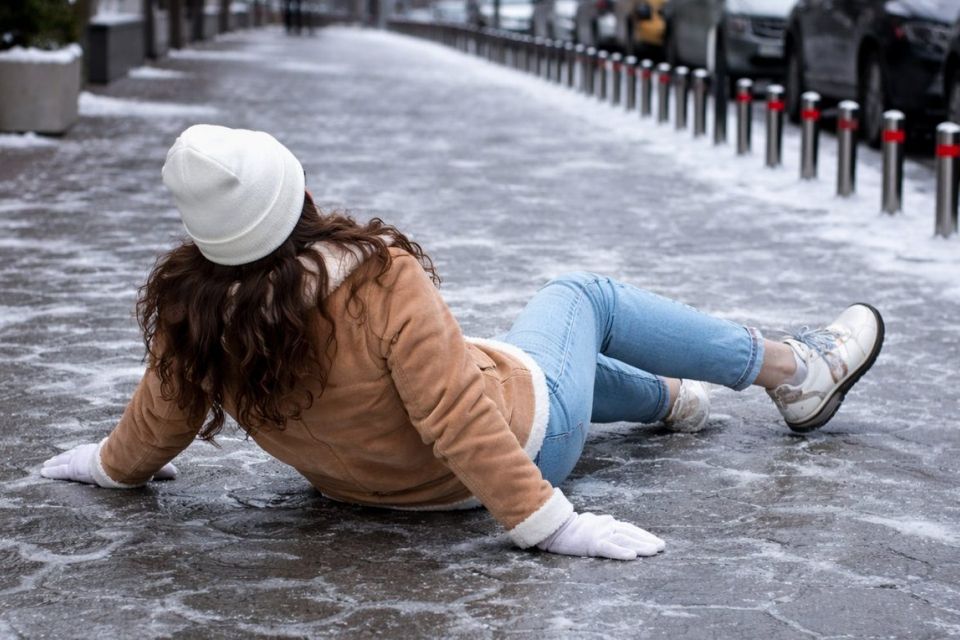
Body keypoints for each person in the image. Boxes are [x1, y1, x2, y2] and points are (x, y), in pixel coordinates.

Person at [40, 125, 885, 561]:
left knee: (535, 357)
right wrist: (550, 524)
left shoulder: (198, 318)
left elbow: (157, 421)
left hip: (369, 486)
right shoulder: (375, 279)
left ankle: (671, 403)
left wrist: (108, 467)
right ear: (295, 198)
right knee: (579, 296)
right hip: (518, 451)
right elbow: (454, 415)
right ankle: (795, 369)